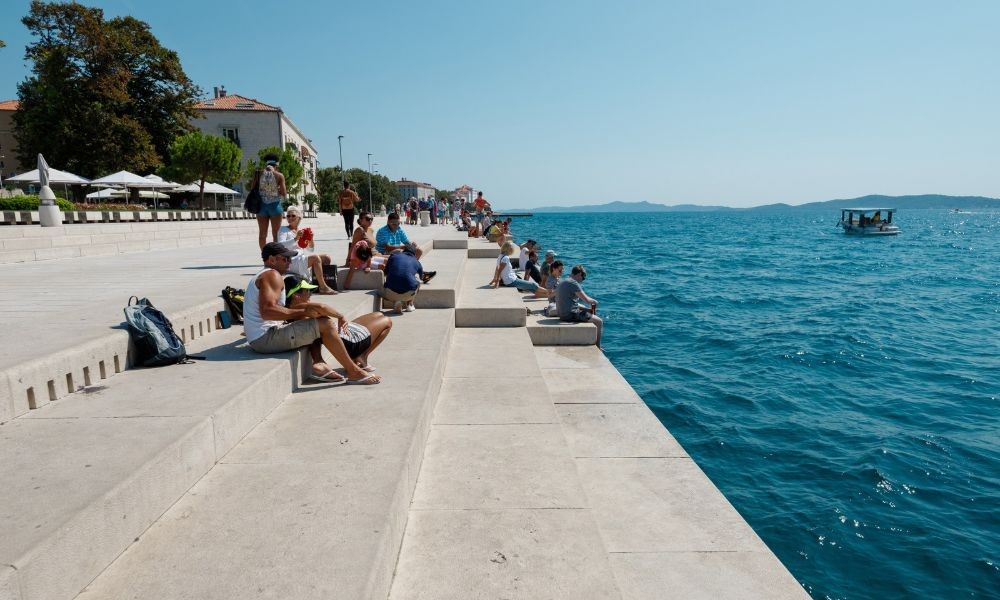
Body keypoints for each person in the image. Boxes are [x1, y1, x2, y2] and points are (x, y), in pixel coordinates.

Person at [244, 242, 380, 384]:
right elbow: (268, 312)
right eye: (285, 259)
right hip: (266, 339)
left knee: (313, 321)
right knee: (325, 324)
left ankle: (319, 363)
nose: (289, 262)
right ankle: (354, 372)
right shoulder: (272, 275)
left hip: (260, 337)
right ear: (271, 260)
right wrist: (303, 312)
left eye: (290, 258)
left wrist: (306, 313)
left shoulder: (263, 275)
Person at [284, 274, 391, 375]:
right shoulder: (302, 307)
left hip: (345, 334)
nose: (310, 293)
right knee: (387, 321)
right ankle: (362, 355)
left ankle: (361, 356)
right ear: (296, 295)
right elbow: (322, 307)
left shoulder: (290, 309)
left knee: (378, 315)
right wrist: (341, 316)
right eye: (306, 290)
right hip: (352, 342)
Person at [276, 206, 337, 294]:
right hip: (291, 260)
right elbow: (280, 245)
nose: (290, 218)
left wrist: (311, 239)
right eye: (288, 216)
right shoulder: (283, 230)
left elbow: (310, 250)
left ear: (299, 218)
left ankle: (317, 281)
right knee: (315, 258)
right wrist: (295, 238)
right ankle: (323, 287)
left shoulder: (301, 231)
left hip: (301, 258)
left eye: (293, 216)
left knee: (326, 258)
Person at [555, 264, 604, 350]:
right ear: (579, 274)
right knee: (599, 322)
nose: (583, 280)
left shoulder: (563, 280)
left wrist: (586, 309)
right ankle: (598, 347)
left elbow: (570, 302)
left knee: (585, 309)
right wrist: (595, 301)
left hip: (561, 314)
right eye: (583, 277)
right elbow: (587, 300)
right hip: (569, 315)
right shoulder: (573, 283)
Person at [255, 154, 287, 250]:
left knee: (262, 234)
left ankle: (265, 258)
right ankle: (275, 257)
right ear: (276, 164)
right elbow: (284, 193)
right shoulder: (279, 175)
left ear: (266, 163)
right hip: (275, 206)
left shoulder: (258, 174)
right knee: (276, 235)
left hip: (261, 206)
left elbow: (253, 188)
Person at [382, 246, 424, 313]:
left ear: (403, 251)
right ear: (415, 254)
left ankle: (397, 301)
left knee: (394, 277)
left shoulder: (393, 256)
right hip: (408, 293)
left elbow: (385, 272)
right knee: (417, 280)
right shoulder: (417, 262)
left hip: (389, 293)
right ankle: (409, 305)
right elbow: (422, 278)